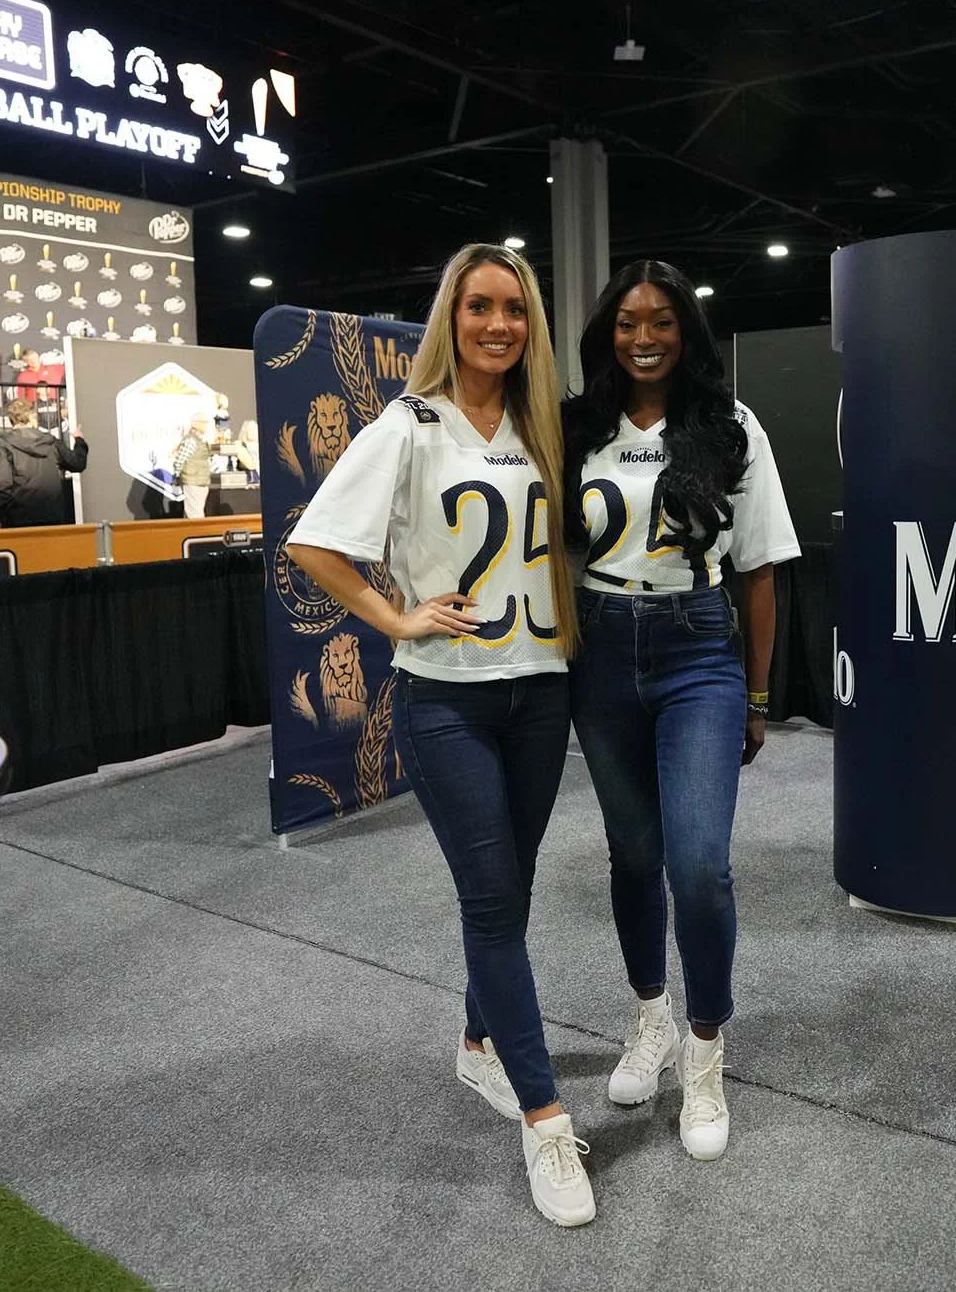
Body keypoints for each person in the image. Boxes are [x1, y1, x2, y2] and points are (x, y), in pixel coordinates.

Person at [282, 244, 591, 1226]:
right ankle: (545, 1119)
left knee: (512, 888)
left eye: (515, 309)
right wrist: (396, 618)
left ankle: (476, 1044)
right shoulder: (409, 424)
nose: (498, 324)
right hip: (448, 702)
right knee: (492, 903)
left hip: (541, 696)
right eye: (479, 306)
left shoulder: (544, 430)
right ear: (450, 318)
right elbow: (313, 542)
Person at [562, 261, 801, 1165]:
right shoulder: (579, 427)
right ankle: (650, 1020)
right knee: (632, 854)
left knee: (698, 865)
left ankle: (705, 1051)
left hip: (699, 647)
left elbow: (761, 569)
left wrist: (758, 695)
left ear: (686, 332)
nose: (644, 338)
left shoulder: (731, 426)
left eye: (661, 321)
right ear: (607, 334)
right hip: (600, 649)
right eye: (628, 323)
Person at [0, 399, 87, 527]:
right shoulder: (51, 442)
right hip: (52, 517)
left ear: (11, 420)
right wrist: (79, 441)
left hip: (18, 519)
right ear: (32, 417)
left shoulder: (3, 445)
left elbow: (2, 487)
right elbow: (77, 463)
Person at [171, 412, 216, 518]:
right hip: (192, 481)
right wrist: (177, 476)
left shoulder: (202, 440)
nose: (206, 425)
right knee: (195, 514)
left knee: (193, 512)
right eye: (204, 423)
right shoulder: (190, 440)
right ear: (196, 424)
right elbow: (179, 460)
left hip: (202, 481)